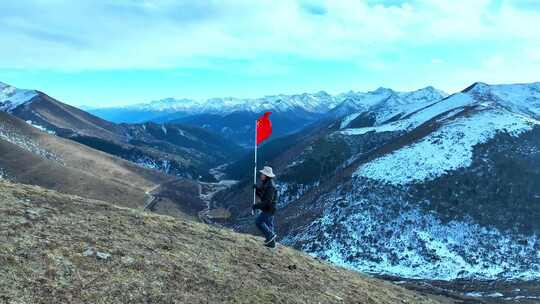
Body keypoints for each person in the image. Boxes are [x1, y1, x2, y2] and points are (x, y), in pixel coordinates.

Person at [253, 166, 278, 248]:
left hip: (269, 209)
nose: (261, 175)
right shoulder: (267, 183)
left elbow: (267, 201)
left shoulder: (270, 186)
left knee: (258, 222)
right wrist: (257, 190)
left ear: (266, 175)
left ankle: (270, 235)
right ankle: (272, 244)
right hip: (271, 209)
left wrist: (257, 206)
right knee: (269, 225)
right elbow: (263, 196)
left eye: (262, 174)